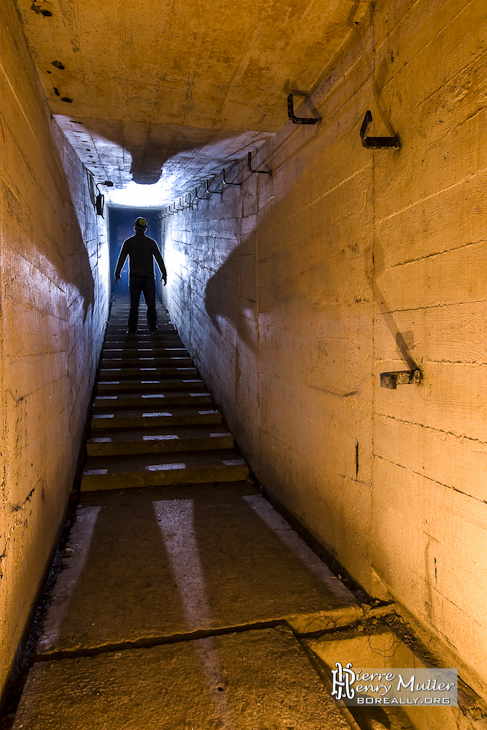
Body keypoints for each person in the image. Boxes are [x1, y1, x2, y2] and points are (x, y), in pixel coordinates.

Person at [114, 217, 167, 334]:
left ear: (134, 228)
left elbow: (121, 258)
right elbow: (159, 259)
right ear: (145, 229)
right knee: (151, 305)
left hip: (135, 279)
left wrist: (117, 273)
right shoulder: (151, 243)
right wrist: (164, 273)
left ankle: (132, 329)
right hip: (148, 279)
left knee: (134, 306)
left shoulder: (128, 242)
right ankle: (152, 328)